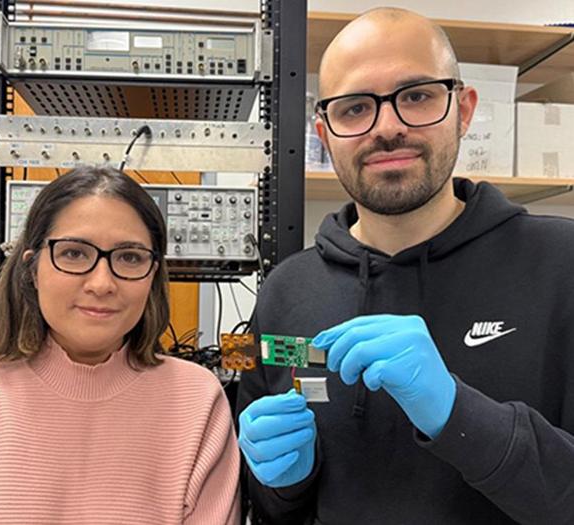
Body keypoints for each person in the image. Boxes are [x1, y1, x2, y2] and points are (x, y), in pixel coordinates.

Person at [236, 7, 574, 524]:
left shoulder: (562, 265)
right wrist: (284, 483)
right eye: (354, 108)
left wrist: (458, 415)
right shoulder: (286, 290)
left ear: (463, 110)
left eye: (416, 96)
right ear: (324, 134)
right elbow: (275, 509)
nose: (387, 128)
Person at [0, 166, 240, 524]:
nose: (102, 283)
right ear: (31, 269)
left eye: (130, 257)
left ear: (153, 276)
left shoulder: (195, 401)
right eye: (73, 253)